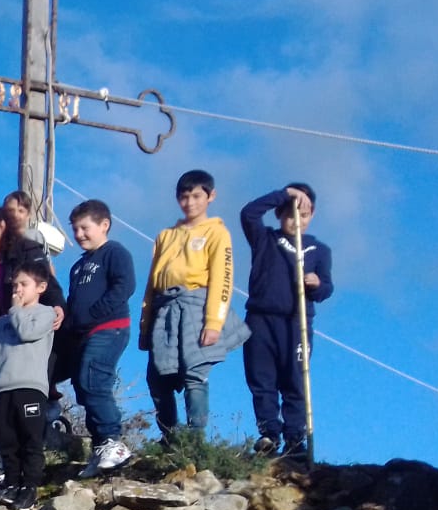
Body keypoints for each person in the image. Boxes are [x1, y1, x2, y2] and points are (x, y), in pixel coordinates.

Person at [140, 169, 245, 440]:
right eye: (184, 196)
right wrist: (145, 325)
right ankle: (170, 436)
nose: (190, 202)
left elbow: (223, 277)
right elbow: (152, 281)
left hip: (197, 306)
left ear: (210, 196)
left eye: (197, 196)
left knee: (194, 375)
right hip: (165, 309)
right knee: (157, 377)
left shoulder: (217, 233)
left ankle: (195, 438)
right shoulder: (166, 235)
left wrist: (213, 323)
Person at [240, 183, 333, 459]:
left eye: (303, 215)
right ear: (280, 215)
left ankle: (295, 440)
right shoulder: (265, 239)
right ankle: (269, 434)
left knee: (295, 379)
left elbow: (327, 289)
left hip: (297, 322)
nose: (297, 221)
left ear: (312, 215)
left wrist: (317, 284)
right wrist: (286, 194)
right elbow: (249, 214)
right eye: (291, 214)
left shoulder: (319, 250)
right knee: (261, 378)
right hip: (260, 320)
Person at [64, 200, 139, 478]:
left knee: (94, 378)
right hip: (82, 333)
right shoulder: (78, 266)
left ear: (104, 225)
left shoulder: (114, 252)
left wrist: (96, 313)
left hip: (110, 326)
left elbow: (125, 286)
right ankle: (100, 448)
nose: (79, 234)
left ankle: (113, 441)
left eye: (85, 227)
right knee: (83, 386)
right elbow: (74, 299)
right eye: (75, 229)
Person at [0, 261, 58, 510]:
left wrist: (16, 310)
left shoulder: (46, 314)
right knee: (7, 441)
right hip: (3, 389)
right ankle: (12, 483)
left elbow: (26, 332)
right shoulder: (0, 322)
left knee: (30, 439)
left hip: (30, 387)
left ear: (40, 287)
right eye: (15, 285)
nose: (18, 290)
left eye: (24, 284)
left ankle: (30, 486)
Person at [3, 189, 68, 256]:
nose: (15, 215)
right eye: (10, 210)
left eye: (21, 211)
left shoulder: (35, 237)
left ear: (28, 215)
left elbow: (47, 263)